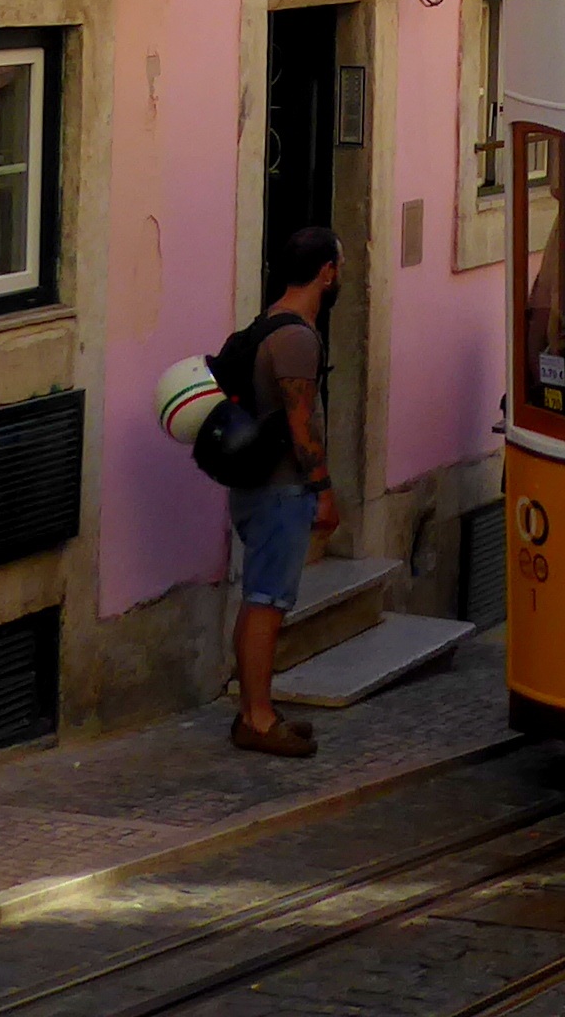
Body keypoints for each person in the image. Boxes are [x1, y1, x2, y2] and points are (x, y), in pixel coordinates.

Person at [227, 228, 344, 758]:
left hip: (256, 486)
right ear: (326, 272)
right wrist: (322, 489)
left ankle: (256, 710)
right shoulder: (297, 337)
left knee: (258, 602)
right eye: (337, 267)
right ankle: (258, 718)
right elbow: (303, 426)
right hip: (280, 489)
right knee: (267, 602)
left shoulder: (265, 323)